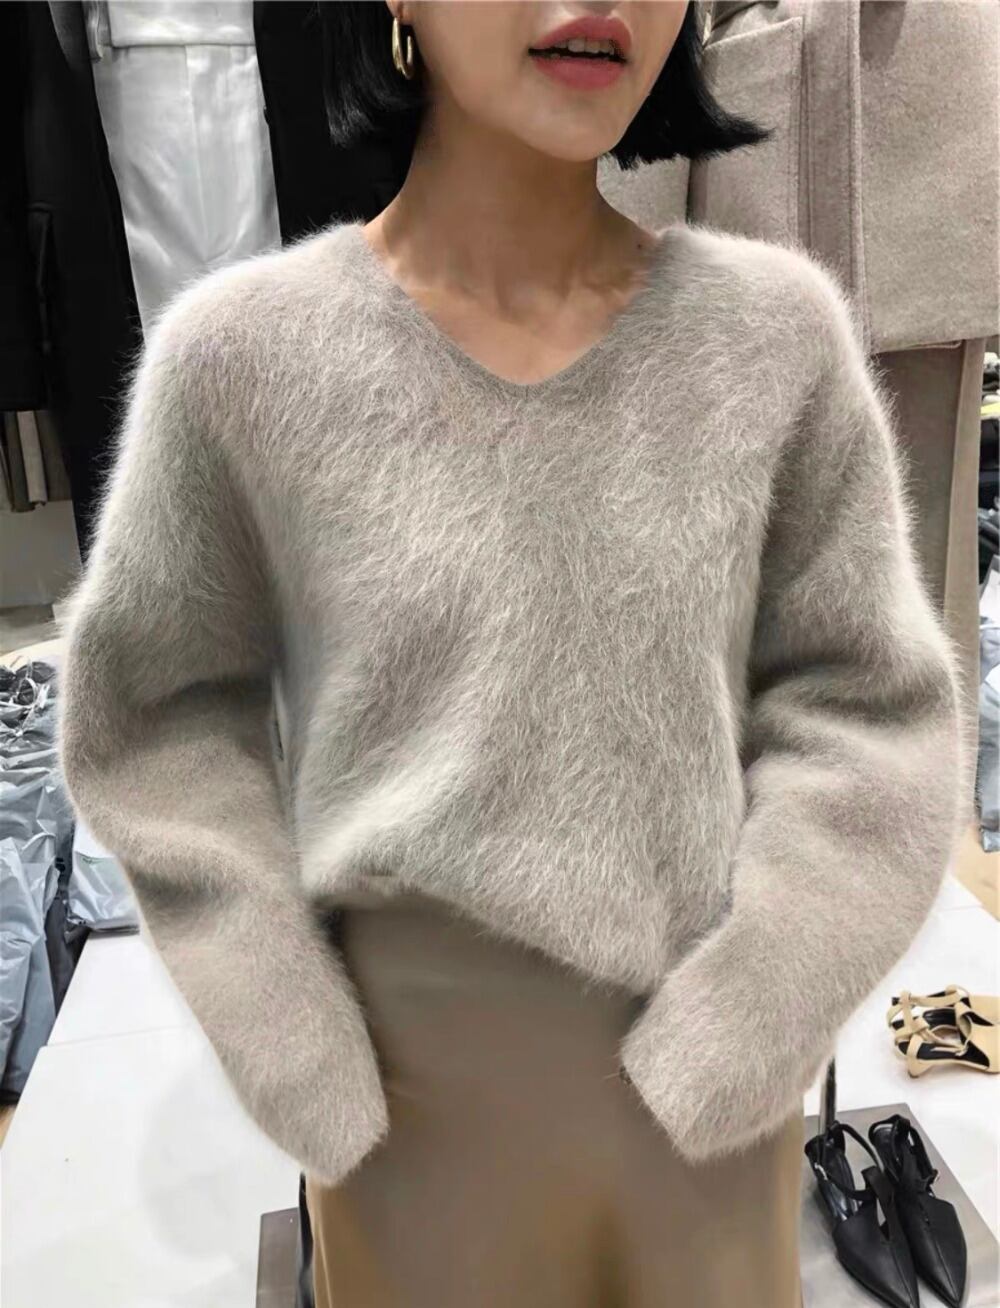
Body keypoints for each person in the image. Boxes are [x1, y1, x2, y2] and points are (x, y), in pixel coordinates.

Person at [55, 3, 968, 1307]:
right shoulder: (244, 360)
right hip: (407, 1124)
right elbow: (156, 719)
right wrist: (288, 1036)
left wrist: (754, 1011)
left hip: (709, 1106)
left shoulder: (772, 339)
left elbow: (866, 706)